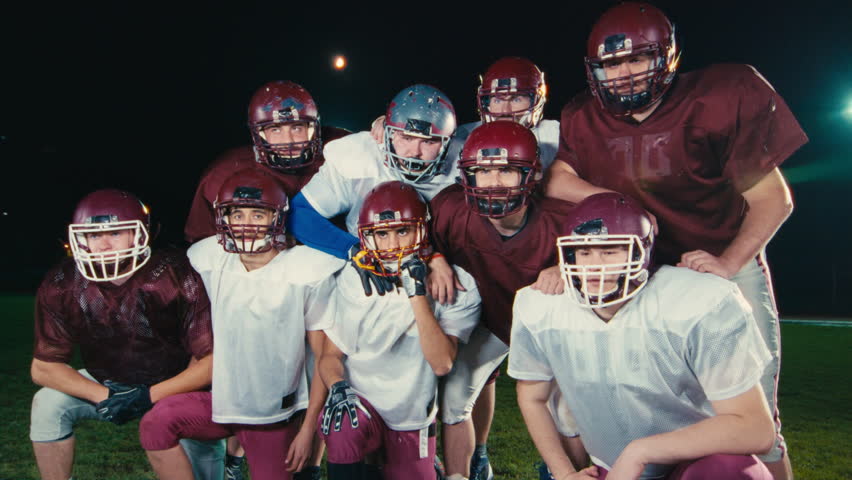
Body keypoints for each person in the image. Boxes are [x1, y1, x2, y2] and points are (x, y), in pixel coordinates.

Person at [544, 3, 807, 478]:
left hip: (719, 262)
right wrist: (619, 199)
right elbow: (558, 181)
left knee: (758, 420)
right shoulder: (583, 115)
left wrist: (728, 264)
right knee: (632, 410)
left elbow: (774, 199)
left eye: (636, 60)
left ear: (666, 57)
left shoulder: (723, 94)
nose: (622, 75)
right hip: (641, 275)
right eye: (611, 64)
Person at [509, 192, 776, 480]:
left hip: (693, 464)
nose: (594, 266)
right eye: (584, 252)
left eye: (610, 251)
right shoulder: (541, 305)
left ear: (641, 252)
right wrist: (563, 473)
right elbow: (532, 396)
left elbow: (755, 428)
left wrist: (641, 451)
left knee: (731, 471)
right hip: (611, 469)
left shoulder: (699, 301)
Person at [140, 170, 342, 480]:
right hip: (221, 401)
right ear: (224, 218)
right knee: (155, 425)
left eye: (257, 213)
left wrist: (308, 429)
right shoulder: (207, 257)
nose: (246, 223)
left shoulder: (306, 269)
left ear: (277, 218)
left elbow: (322, 358)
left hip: (272, 414)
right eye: (237, 213)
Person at [30, 189, 223, 480]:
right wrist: (106, 395)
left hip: (177, 386)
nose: (105, 245)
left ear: (140, 235)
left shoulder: (173, 275)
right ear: (80, 239)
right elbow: (43, 367)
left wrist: (147, 396)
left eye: (117, 233)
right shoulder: (63, 283)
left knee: (204, 468)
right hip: (110, 384)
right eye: (94, 236)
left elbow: (210, 361)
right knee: (48, 402)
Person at [429, 122, 584, 480]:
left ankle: (572, 472)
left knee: (567, 412)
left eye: (506, 170)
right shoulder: (452, 209)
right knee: (454, 399)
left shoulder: (562, 218)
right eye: (482, 172)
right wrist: (433, 257)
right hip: (495, 322)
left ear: (532, 174)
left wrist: (569, 265)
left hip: (552, 331)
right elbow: (420, 237)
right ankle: (463, 474)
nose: (493, 183)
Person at [317, 181, 481, 479]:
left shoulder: (458, 283)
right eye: (382, 233)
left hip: (411, 411)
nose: (393, 244)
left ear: (422, 230)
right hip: (360, 404)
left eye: (402, 230)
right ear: (368, 237)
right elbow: (331, 356)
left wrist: (415, 292)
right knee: (343, 423)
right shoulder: (354, 280)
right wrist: (338, 389)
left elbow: (442, 363)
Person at [185, 80, 350, 243]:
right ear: (258, 133)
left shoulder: (340, 148)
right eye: (275, 129)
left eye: (297, 128)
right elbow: (202, 241)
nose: (289, 140)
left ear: (314, 128)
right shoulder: (224, 173)